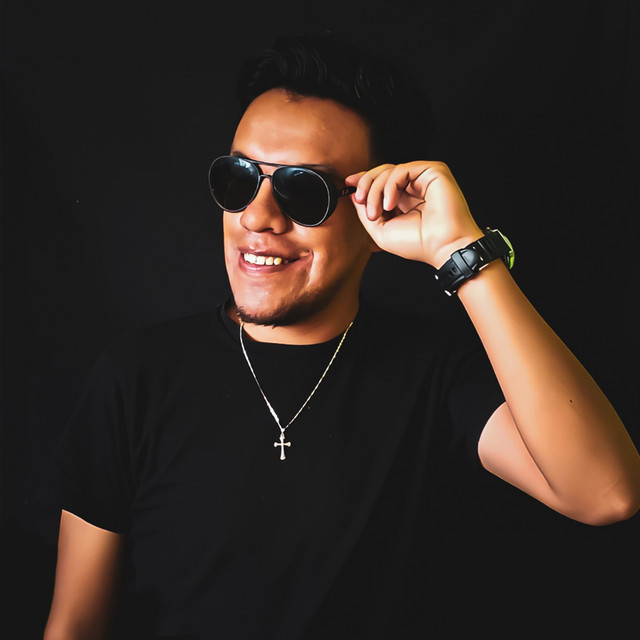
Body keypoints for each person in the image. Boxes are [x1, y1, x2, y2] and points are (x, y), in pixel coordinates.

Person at [40, 32, 640, 639]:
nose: (257, 217)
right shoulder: (136, 376)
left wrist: (460, 252)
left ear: (377, 206)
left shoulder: (435, 374)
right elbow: (75, 624)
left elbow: (605, 494)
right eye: (238, 179)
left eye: (304, 190)